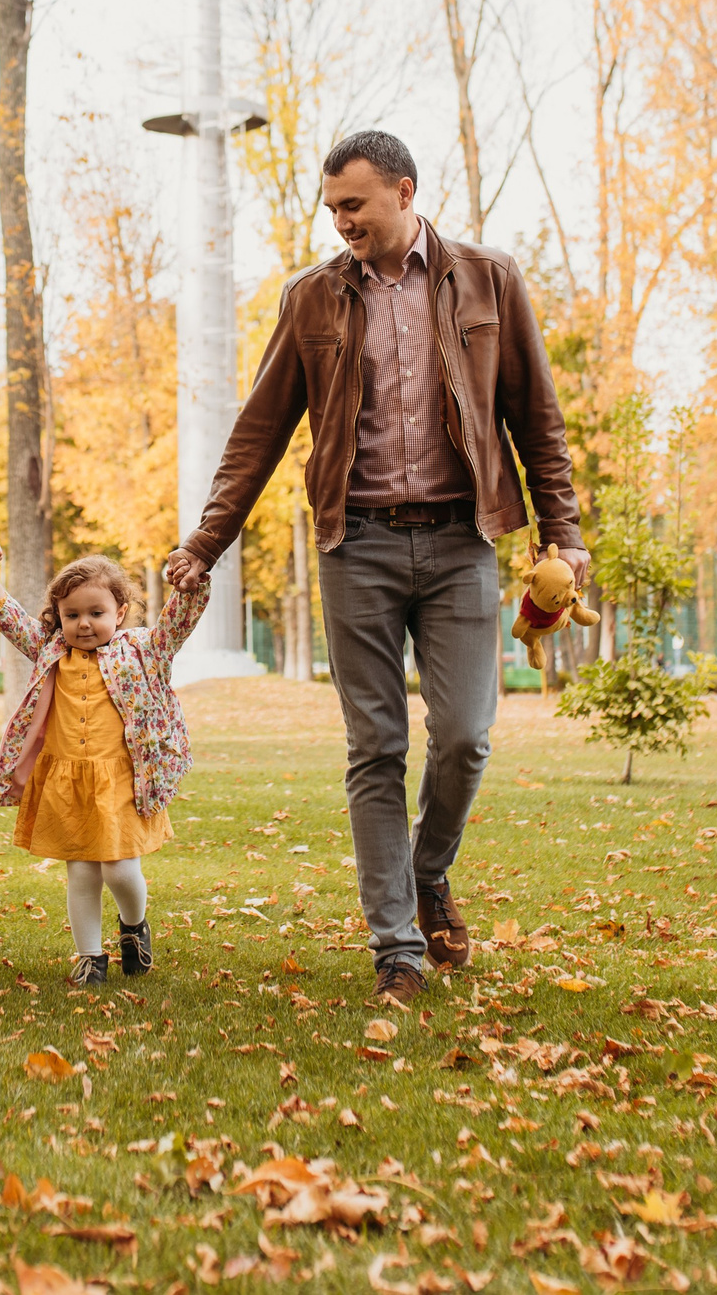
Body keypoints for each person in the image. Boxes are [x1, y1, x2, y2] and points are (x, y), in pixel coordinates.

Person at [166, 130, 587, 1007]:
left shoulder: (488, 279)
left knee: (466, 735)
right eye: (333, 209)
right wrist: (206, 542)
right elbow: (259, 431)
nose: (342, 222)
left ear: (404, 189)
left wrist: (565, 531)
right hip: (354, 542)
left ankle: (428, 870)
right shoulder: (313, 298)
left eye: (354, 205)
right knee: (376, 748)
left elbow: (536, 416)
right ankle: (396, 943)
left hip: (462, 539)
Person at [0, 550, 206, 985]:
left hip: (122, 780)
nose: (84, 624)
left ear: (120, 613)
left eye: (96, 613)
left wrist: (192, 582)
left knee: (119, 869)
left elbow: (179, 622)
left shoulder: (143, 649)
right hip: (68, 781)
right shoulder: (51, 651)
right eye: (72, 614)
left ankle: (134, 926)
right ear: (57, 618)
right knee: (81, 871)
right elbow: (9, 619)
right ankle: (89, 958)